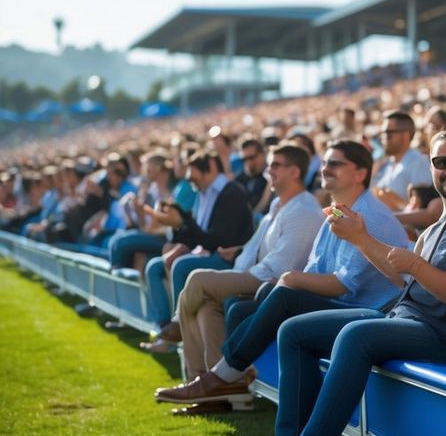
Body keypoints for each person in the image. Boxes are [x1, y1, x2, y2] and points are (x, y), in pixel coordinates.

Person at [231, 130, 446, 436]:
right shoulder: (441, 223)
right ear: (431, 168)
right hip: (408, 320)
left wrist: (416, 264)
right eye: (442, 162)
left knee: (356, 335)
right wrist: (360, 238)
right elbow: (402, 278)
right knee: (294, 331)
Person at [154, 140, 408, 406]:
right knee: (240, 308)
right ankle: (226, 386)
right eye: (324, 163)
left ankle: (221, 376)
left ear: (360, 173)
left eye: (335, 164)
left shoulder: (367, 215)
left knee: (277, 294)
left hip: (369, 310)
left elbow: (343, 284)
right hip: (344, 302)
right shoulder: (337, 209)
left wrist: (291, 279)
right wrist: (289, 279)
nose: (325, 169)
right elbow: (316, 267)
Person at [167, 143, 325, 385]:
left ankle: (191, 359)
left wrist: (241, 271)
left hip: (269, 280)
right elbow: (261, 246)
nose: (268, 170)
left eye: (275, 165)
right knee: (207, 307)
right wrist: (240, 252)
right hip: (257, 273)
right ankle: (219, 384)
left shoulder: (303, 209)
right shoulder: (279, 204)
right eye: (269, 164)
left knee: (197, 279)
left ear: (294, 172)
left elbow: (280, 267)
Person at [141, 149, 254, 349]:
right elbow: (197, 235)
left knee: (181, 265)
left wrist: (183, 223)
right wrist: (178, 225)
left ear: (210, 169)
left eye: (193, 176)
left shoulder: (231, 193)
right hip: (208, 252)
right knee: (154, 266)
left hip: (230, 259)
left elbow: (219, 240)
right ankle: (164, 329)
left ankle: (179, 328)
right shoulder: (204, 191)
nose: (189, 180)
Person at [370, 111, 431, 210]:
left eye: (388, 133)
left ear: (405, 135)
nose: (383, 138)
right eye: (382, 133)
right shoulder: (386, 163)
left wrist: (395, 201)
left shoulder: (419, 162)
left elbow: (422, 210)